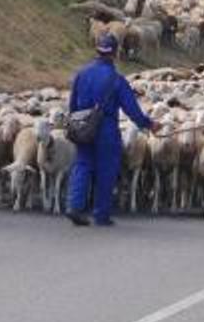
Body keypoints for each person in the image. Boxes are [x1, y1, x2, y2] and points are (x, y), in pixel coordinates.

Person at [65, 32, 158, 227]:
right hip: (106, 128)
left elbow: (72, 105)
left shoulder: (81, 74)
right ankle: (101, 214)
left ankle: (74, 207)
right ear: (115, 53)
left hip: (83, 125)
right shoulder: (116, 80)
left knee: (82, 164)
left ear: (97, 50)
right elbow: (131, 109)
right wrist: (148, 124)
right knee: (106, 170)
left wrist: (78, 124)